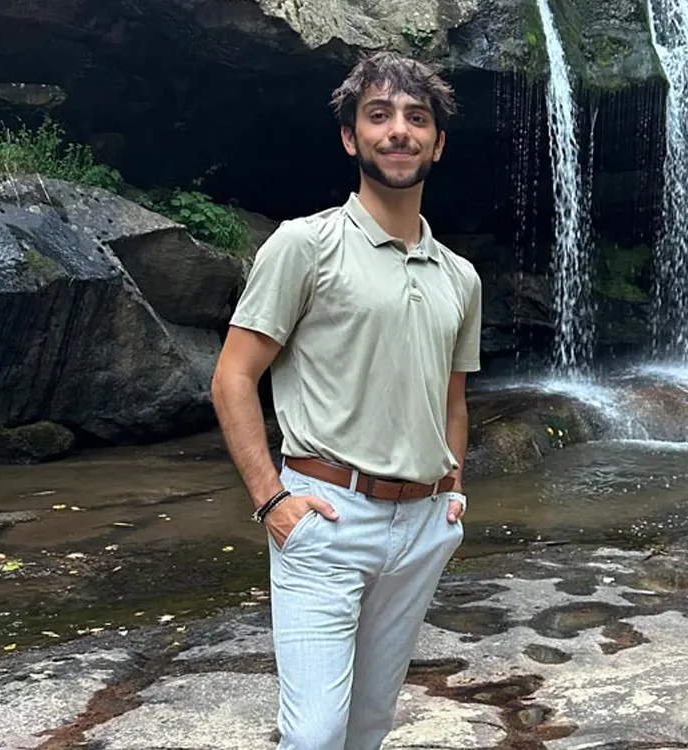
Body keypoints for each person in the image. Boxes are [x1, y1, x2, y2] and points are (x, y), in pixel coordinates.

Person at [210, 51, 482, 750]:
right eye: (380, 115)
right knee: (315, 736)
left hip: (423, 523)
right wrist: (273, 501)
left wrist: (453, 489)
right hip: (326, 519)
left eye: (417, 119)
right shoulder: (305, 245)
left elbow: (453, 396)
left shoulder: (461, 276)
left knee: (368, 726)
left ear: (438, 142)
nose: (400, 131)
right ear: (350, 136)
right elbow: (233, 376)